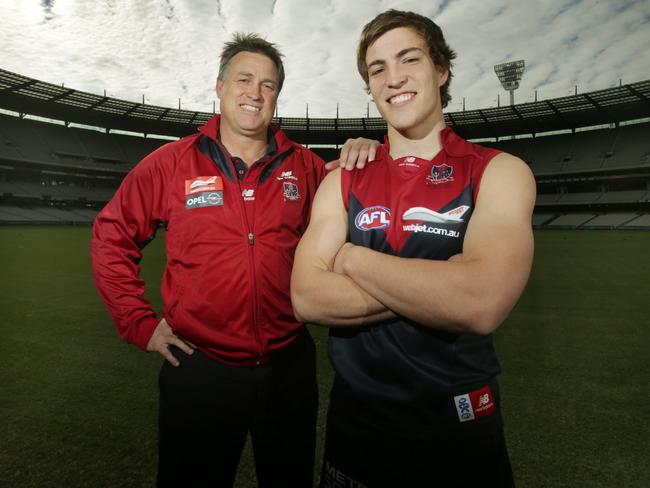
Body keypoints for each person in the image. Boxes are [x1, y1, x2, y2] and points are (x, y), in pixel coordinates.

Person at [91, 33, 378, 488]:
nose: (255, 92)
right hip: (199, 371)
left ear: (276, 97)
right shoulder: (171, 162)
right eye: (244, 79)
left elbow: (367, 208)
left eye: (268, 85)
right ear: (220, 86)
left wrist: (368, 153)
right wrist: (138, 323)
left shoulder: (304, 166)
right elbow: (111, 234)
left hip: (289, 370)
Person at [291, 10, 536, 488]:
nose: (393, 77)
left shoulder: (500, 171)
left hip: (459, 427)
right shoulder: (342, 178)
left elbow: (479, 302)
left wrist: (351, 259)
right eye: (377, 68)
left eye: (409, 59)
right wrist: (438, 284)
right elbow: (306, 296)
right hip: (355, 427)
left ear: (441, 70)